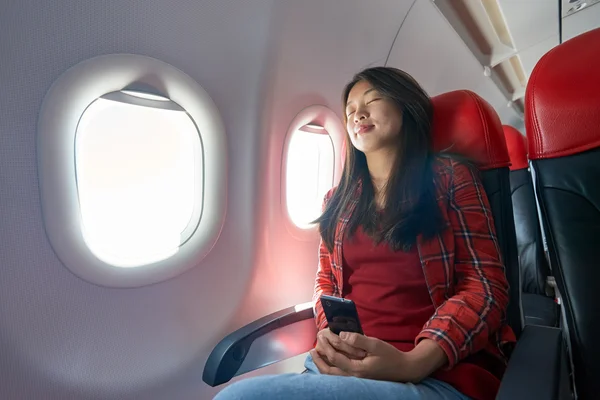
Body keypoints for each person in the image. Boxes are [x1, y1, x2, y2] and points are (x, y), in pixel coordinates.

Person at [214, 67, 516, 400]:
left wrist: (413, 362)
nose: (358, 113)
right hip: (346, 368)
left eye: (372, 100)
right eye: (349, 110)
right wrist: (327, 330)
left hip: (435, 372)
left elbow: (486, 287)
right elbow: (325, 281)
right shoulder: (338, 199)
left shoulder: (451, 179)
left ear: (406, 108)